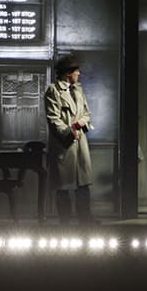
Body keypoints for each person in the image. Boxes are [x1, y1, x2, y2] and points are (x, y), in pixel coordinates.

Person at [44, 54, 100, 225]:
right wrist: (69, 132)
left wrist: (78, 127)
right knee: (64, 186)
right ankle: (65, 222)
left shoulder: (78, 90)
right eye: (76, 71)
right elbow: (54, 119)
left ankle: (86, 219)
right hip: (64, 145)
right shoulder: (53, 91)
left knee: (83, 183)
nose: (79, 74)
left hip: (79, 143)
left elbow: (87, 114)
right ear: (68, 73)